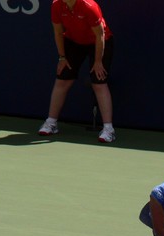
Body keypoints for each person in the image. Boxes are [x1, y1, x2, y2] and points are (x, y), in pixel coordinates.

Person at [38, 0, 115, 143]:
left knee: (99, 82)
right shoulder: (56, 5)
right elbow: (58, 31)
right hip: (73, 42)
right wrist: (62, 57)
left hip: (99, 42)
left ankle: (109, 129)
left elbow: (100, 35)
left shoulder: (89, 6)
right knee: (62, 79)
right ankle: (51, 123)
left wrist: (98, 61)